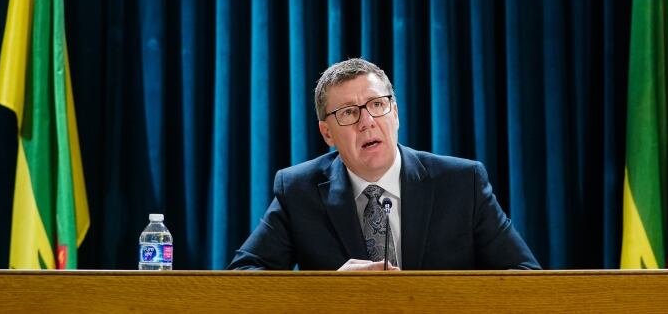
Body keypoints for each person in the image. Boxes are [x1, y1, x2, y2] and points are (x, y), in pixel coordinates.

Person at [228, 58, 540, 271]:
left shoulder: (462, 182)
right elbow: (243, 276)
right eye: (349, 112)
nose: (367, 122)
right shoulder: (298, 191)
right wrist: (327, 292)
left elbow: (525, 275)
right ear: (327, 133)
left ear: (395, 114)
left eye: (377, 105)